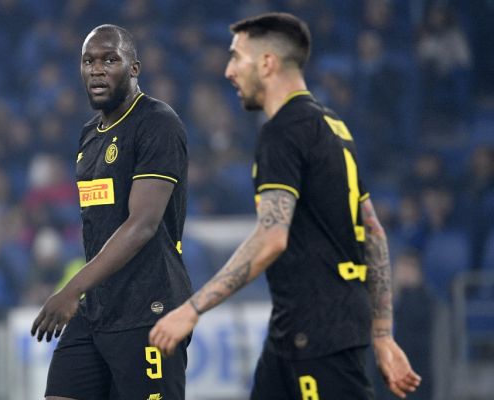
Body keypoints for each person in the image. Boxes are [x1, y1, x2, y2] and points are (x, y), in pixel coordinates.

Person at [150, 13, 421, 400]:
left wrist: (192, 309)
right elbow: (374, 233)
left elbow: (271, 238)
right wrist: (381, 334)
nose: (228, 71)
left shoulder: (282, 133)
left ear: (267, 63)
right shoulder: (333, 127)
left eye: (236, 58)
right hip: (294, 334)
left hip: (319, 334)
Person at [30, 24, 192, 400]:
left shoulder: (157, 123)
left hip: (150, 308)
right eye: (88, 61)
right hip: (98, 309)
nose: (97, 69)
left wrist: (71, 289)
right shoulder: (90, 134)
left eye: (110, 59)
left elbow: (142, 225)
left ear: (134, 68)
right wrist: (84, 294)